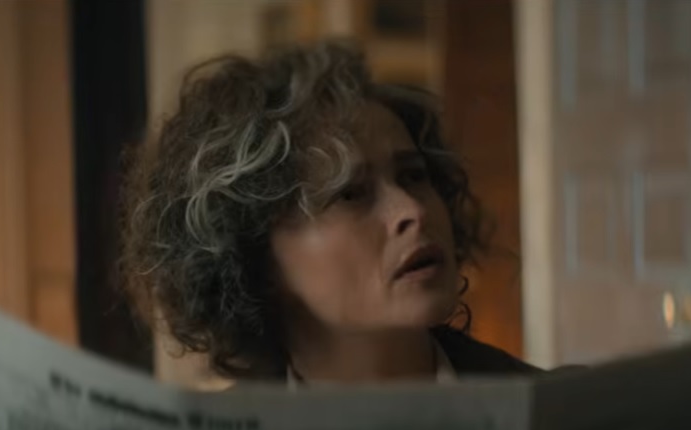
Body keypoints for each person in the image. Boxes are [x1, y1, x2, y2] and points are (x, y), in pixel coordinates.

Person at [119, 39, 539, 387]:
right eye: (352, 194)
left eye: (414, 176)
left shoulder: (552, 414)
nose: (412, 210)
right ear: (256, 259)